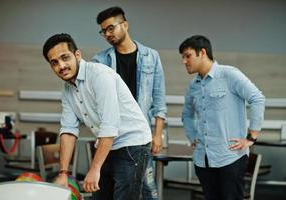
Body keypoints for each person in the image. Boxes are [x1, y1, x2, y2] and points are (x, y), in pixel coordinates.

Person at [42, 33, 152, 200]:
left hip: (133, 144)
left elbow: (109, 126)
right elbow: (68, 130)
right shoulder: (67, 90)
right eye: (54, 63)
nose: (61, 66)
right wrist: (64, 173)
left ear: (77, 55)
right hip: (107, 144)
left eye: (65, 58)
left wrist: (94, 169)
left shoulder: (100, 76)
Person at [92, 7, 167, 199]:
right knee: (115, 188)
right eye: (103, 31)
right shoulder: (100, 60)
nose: (107, 34)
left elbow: (159, 99)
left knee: (148, 188)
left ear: (125, 25)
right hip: (112, 136)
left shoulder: (151, 56)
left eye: (111, 28)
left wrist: (157, 135)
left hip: (140, 135)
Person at [179, 35, 265, 200]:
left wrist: (251, 137)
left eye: (187, 55)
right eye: (182, 57)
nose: (184, 61)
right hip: (202, 160)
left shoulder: (229, 75)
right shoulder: (193, 86)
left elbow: (258, 98)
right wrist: (192, 136)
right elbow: (187, 114)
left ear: (202, 52)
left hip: (230, 158)